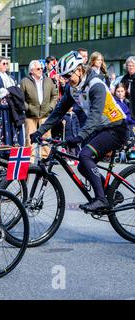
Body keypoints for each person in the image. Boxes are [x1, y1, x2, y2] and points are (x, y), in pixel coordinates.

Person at [30, 51, 129, 212]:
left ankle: (101, 199)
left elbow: (95, 117)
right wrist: (39, 131)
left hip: (116, 128)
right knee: (83, 166)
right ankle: (112, 193)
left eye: (69, 76)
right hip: (100, 128)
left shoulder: (96, 85)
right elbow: (58, 112)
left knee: (84, 156)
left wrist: (79, 137)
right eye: (64, 77)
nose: (66, 80)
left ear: (79, 69)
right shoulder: (72, 88)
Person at [20, 60, 58, 161]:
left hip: (45, 114)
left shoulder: (48, 80)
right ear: (31, 70)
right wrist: (27, 107)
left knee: (46, 136)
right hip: (30, 115)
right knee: (29, 138)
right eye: (38, 69)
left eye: (41, 68)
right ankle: (29, 158)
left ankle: (45, 157)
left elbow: (54, 95)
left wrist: (50, 107)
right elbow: (21, 98)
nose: (41, 70)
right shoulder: (25, 81)